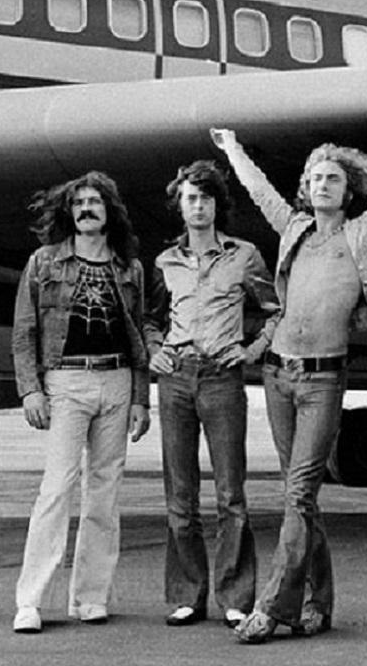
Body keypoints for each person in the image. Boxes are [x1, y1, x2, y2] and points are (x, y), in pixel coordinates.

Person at [211, 128, 367, 644]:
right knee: (302, 500)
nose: (322, 185)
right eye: (315, 178)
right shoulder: (293, 227)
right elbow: (261, 192)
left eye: (333, 179)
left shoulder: (361, 233)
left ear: (348, 190)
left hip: (322, 379)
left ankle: (272, 608)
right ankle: (319, 602)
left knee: (298, 493)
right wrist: (233, 151)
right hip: (277, 373)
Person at [11, 171, 150, 634]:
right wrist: (31, 388)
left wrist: (140, 398)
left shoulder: (129, 267)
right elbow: (24, 331)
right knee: (56, 489)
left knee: (104, 495)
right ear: (68, 213)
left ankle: (90, 597)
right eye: (79, 203)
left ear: (110, 210)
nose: (87, 208)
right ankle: (29, 601)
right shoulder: (44, 262)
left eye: (95, 201)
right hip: (66, 380)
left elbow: (139, 337)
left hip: (116, 379)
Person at [143, 160, 279, 629]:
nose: (198, 205)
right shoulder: (165, 262)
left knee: (230, 493)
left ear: (218, 205)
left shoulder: (244, 255)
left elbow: (273, 309)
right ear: (179, 207)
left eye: (205, 197)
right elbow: (150, 319)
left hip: (223, 376)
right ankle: (186, 593)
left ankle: (235, 594)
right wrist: (155, 351)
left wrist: (252, 349)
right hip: (177, 377)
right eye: (190, 198)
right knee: (180, 495)